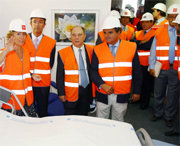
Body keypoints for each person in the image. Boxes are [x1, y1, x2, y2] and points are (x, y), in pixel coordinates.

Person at [91, 16, 142, 121]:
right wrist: (102, 84)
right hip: (103, 93)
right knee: (101, 121)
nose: (106, 36)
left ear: (119, 32)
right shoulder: (97, 49)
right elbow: (93, 71)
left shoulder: (131, 47)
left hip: (122, 93)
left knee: (118, 121)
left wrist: (137, 91)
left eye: (110, 32)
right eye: (104, 33)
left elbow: (137, 71)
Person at [149, 5, 179, 127]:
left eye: (175, 18)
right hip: (160, 66)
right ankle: (158, 112)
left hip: (175, 68)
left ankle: (169, 116)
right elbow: (153, 50)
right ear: (167, 17)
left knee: (172, 94)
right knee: (158, 92)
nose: (172, 20)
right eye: (170, 17)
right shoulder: (160, 30)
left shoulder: (179, 31)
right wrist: (151, 66)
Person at [0, 19, 37, 117]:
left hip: (27, 101)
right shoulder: (4, 52)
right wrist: (6, 51)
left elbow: (21, 72)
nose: (22, 37)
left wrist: (31, 75)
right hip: (11, 103)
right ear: (11, 35)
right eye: (18, 34)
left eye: (24, 34)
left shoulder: (26, 52)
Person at [24, 9, 56, 117]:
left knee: (43, 111)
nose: (37, 25)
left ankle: (43, 131)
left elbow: (50, 63)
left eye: (40, 22)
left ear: (44, 25)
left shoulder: (51, 42)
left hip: (43, 82)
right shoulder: (23, 39)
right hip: (27, 82)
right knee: (28, 110)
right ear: (30, 23)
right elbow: (20, 62)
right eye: (34, 21)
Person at [56, 26, 93, 115]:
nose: (77, 37)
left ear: (84, 36)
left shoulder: (91, 50)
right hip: (70, 93)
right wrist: (61, 93)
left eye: (79, 35)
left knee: (84, 118)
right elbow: (59, 76)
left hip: (86, 91)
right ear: (70, 37)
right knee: (70, 119)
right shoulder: (62, 53)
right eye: (74, 35)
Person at [132, 12, 155, 109]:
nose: (144, 24)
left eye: (147, 22)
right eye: (143, 22)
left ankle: (144, 103)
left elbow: (149, 45)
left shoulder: (154, 33)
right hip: (137, 63)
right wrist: (141, 42)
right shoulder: (138, 33)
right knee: (138, 82)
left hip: (148, 63)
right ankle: (138, 99)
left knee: (146, 84)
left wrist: (139, 43)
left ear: (152, 22)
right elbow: (132, 43)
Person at [164, 13, 180, 136]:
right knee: (174, 99)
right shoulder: (178, 38)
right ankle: (176, 127)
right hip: (176, 73)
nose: (177, 27)